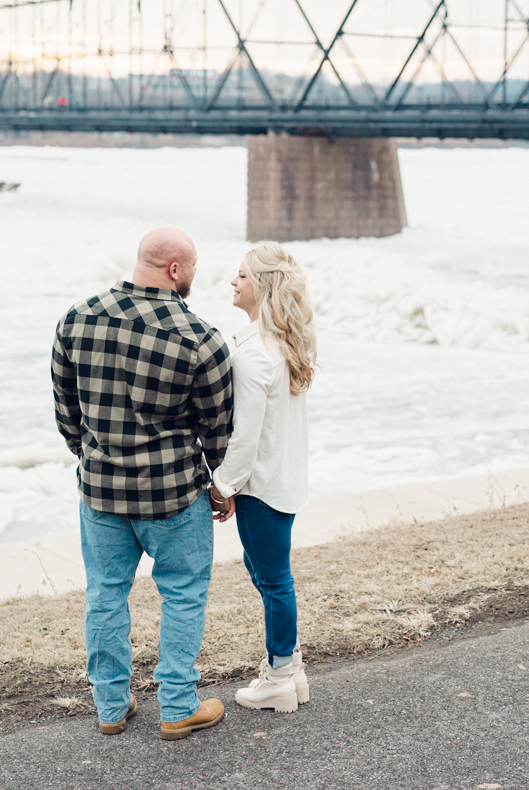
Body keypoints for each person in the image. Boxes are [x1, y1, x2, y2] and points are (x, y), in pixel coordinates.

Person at [51, 227, 234, 740]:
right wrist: (219, 484)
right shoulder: (201, 338)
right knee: (182, 594)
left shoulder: (77, 318)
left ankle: (111, 707)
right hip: (174, 494)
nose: (195, 275)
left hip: (102, 492)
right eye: (194, 266)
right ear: (176, 269)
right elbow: (217, 427)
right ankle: (177, 707)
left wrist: (91, 456)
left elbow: (67, 409)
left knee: (105, 594)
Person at [210, 242, 316, 713]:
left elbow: (246, 435)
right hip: (286, 480)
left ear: (264, 286)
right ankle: (291, 670)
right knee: (273, 578)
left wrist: (222, 485)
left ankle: (277, 678)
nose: (233, 282)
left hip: (261, 487)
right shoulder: (285, 344)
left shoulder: (253, 355)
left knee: (272, 581)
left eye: (242, 276)